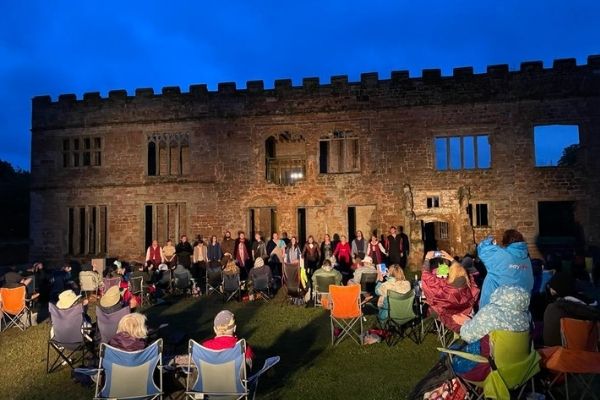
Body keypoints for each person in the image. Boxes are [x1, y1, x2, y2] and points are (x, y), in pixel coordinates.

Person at [451, 286, 531, 381]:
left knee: (451, 352)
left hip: (490, 373)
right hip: (519, 371)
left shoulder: (492, 313)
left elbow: (466, 336)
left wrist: (466, 322)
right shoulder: (526, 318)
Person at [421, 250, 480, 332]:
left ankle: (437, 328)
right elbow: (461, 269)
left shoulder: (445, 288)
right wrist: (451, 259)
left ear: (450, 273)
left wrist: (427, 259)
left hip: (447, 315)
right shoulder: (469, 283)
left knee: (430, 307)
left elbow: (426, 277)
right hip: (464, 311)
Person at [477, 229, 534, 308]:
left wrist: (490, 240)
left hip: (494, 310)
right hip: (520, 310)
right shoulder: (526, 258)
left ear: (505, 241)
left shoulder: (501, 255)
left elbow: (483, 250)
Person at [543, 271, 600, 346]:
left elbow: (549, 341)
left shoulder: (554, 309)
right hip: (590, 353)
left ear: (555, 290)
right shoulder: (591, 305)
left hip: (560, 353)